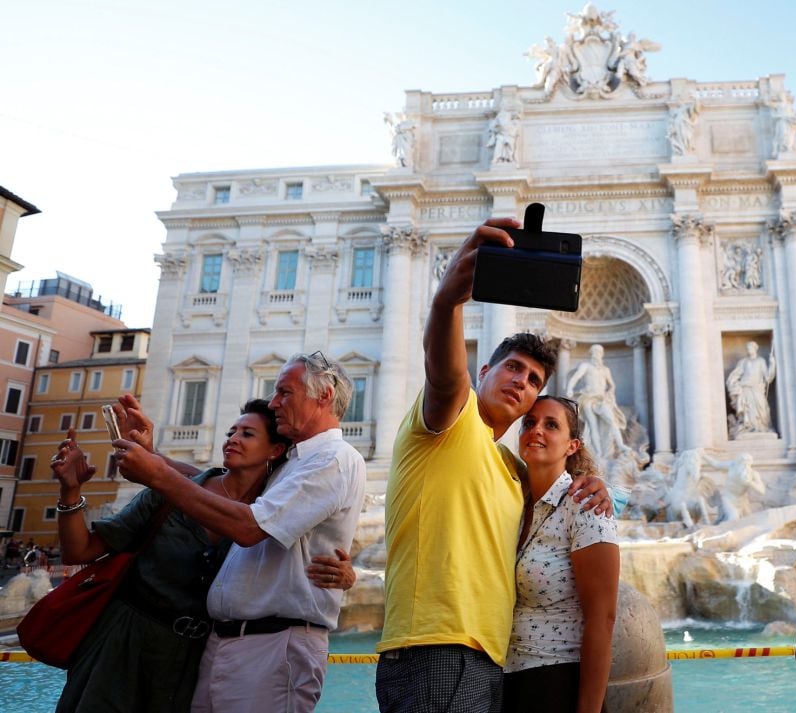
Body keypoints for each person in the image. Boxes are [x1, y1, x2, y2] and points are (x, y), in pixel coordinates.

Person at [376, 218, 610, 712]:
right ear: (483, 372)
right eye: (512, 367)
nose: (521, 381)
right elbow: (443, 376)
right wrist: (448, 301)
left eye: (533, 379)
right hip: (435, 646)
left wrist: (593, 481)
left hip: (489, 658)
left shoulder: (509, 466)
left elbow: (558, 487)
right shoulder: (447, 421)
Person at [48, 400, 351, 711]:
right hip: (122, 644)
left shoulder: (272, 516)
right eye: (231, 431)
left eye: (247, 434)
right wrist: (70, 491)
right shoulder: (167, 493)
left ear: (274, 451)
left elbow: (310, 548)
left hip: (193, 658)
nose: (232, 438)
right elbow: (80, 550)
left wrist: (346, 574)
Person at [113, 352, 366, 713]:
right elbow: (222, 487)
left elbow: (249, 527)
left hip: (274, 645)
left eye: (284, 393)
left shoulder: (333, 459)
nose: (274, 403)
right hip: (230, 643)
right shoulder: (295, 462)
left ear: (323, 396)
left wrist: (156, 475)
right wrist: (154, 457)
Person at [504, 396, 620, 713]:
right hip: (504, 684)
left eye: (551, 425)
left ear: (572, 445)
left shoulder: (586, 506)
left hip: (557, 683)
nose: (536, 430)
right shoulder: (512, 502)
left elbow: (603, 618)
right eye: (529, 423)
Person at [567, 344, 628, 462]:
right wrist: (570, 388)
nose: (597, 354)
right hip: (588, 398)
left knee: (612, 421)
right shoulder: (586, 366)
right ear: (591, 354)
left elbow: (612, 385)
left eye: (599, 352)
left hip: (601, 399)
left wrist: (610, 392)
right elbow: (575, 378)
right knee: (592, 425)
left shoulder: (605, 370)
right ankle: (598, 453)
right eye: (595, 351)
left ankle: (621, 445)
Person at [726, 341, 777, 436]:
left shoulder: (761, 361)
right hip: (745, 388)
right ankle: (748, 427)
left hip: (757, 388)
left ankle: (762, 427)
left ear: (755, 349)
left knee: (762, 408)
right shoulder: (743, 362)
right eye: (747, 348)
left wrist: (772, 364)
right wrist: (733, 383)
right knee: (747, 409)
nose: (749, 350)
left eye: (750, 348)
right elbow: (735, 374)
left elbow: (768, 377)